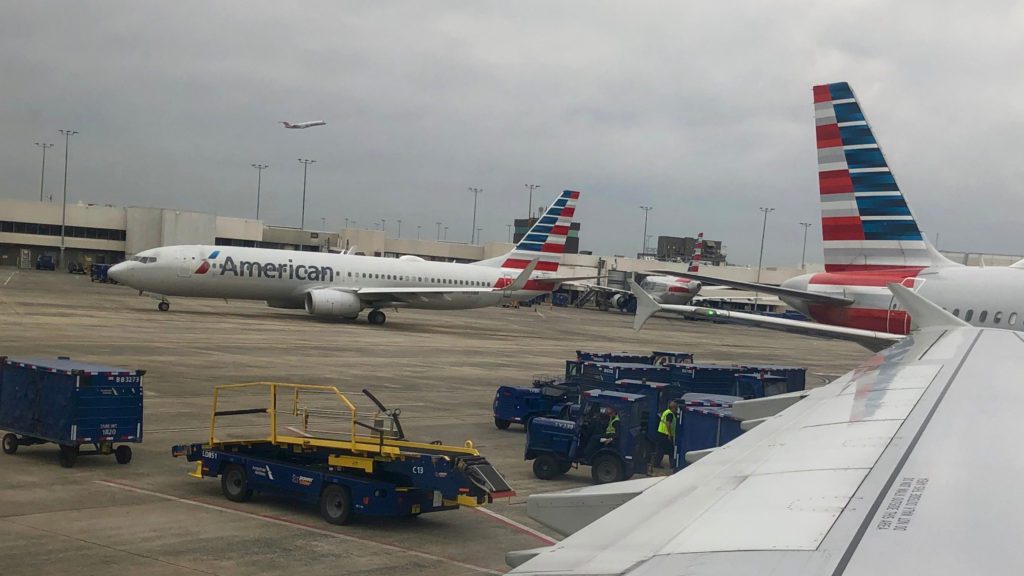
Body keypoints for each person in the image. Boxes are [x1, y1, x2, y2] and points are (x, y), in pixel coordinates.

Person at [653, 401, 679, 469]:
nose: (676, 410)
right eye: (676, 408)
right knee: (671, 451)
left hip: (660, 434)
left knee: (660, 450)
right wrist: (670, 434)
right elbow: (668, 424)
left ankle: (656, 464)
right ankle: (673, 466)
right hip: (666, 435)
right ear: (672, 408)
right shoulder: (670, 414)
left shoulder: (666, 411)